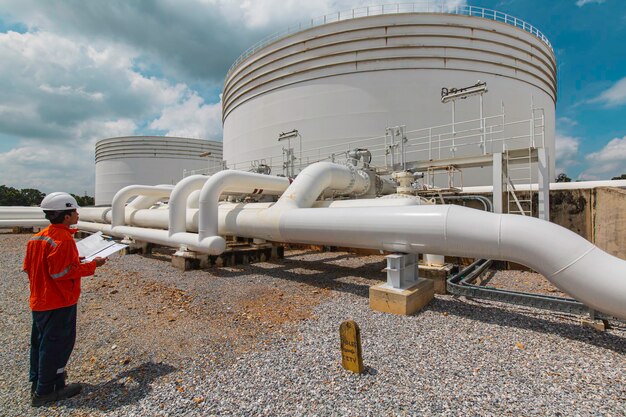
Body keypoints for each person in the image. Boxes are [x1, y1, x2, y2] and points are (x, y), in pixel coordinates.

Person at [23, 192, 106, 407]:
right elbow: (61, 273)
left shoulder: (37, 238)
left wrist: (72, 260)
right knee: (58, 345)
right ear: (66, 216)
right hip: (59, 302)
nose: (78, 214)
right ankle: (46, 391)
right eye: (75, 211)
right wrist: (92, 265)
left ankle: (39, 380)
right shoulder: (63, 240)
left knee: (40, 343)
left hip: (39, 301)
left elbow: (30, 267)